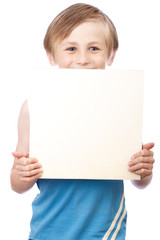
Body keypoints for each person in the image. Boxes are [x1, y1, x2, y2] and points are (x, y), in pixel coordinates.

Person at [10, 3, 155, 240]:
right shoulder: (33, 107)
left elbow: (139, 178)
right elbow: (17, 184)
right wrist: (21, 172)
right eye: (70, 49)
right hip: (47, 231)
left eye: (94, 48)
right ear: (50, 55)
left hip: (105, 233)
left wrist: (144, 169)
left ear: (111, 54)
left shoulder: (120, 105)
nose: (83, 59)